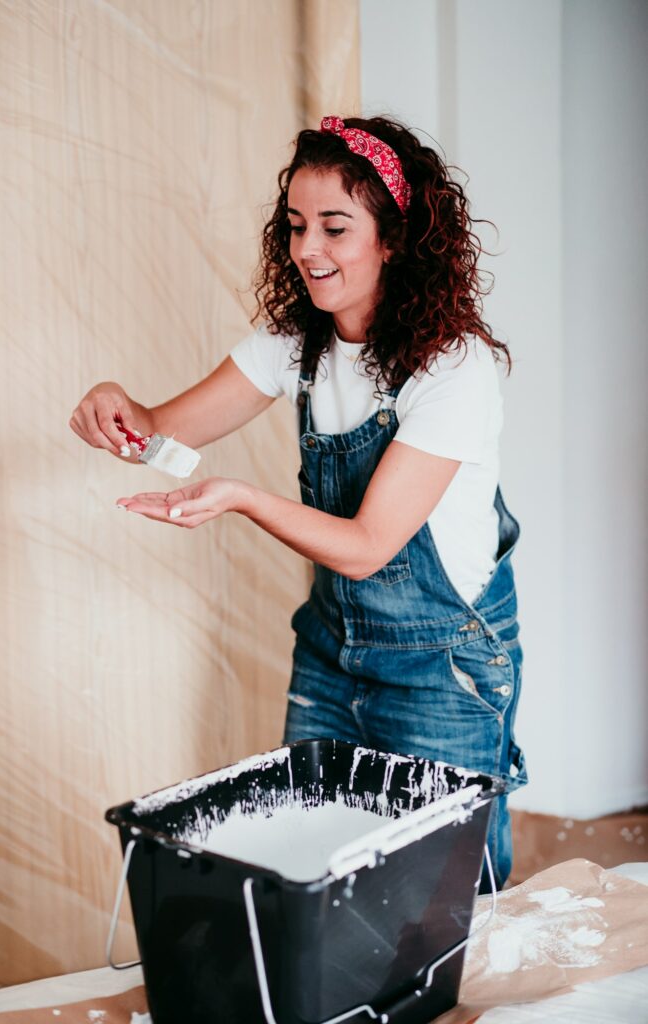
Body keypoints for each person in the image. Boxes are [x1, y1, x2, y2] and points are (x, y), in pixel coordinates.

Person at [69, 115, 527, 889]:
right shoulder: (296, 342)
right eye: (296, 226)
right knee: (318, 876)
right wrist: (117, 409)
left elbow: (368, 545)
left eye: (335, 228)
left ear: (394, 237)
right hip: (331, 652)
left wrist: (242, 498)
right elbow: (155, 429)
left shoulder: (455, 369)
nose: (308, 249)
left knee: (443, 905)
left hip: (441, 667)